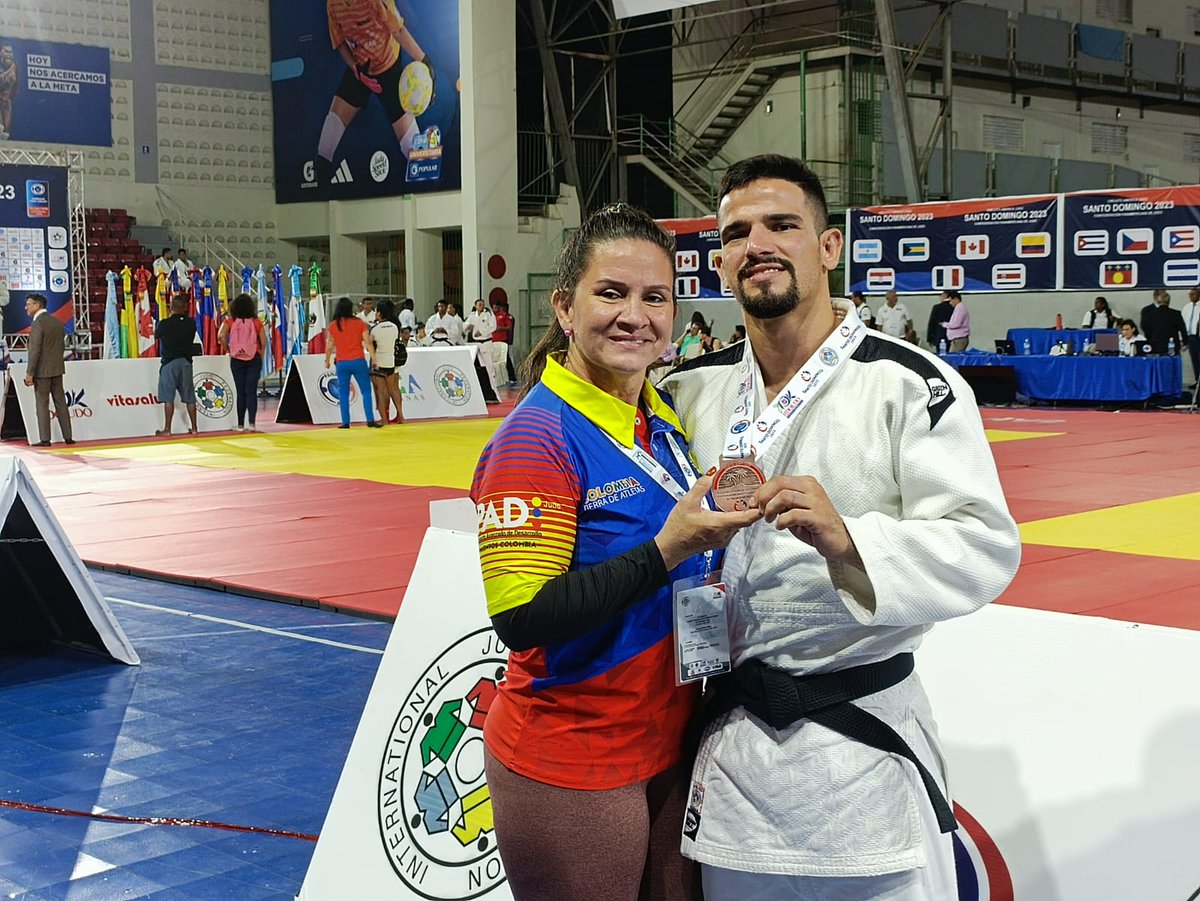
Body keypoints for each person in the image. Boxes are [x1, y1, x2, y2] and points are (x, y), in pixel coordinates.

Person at [659, 154, 1021, 900]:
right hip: (733, 755)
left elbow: (986, 544)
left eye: (782, 224)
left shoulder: (910, 383)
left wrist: (852, 537)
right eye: (737, 232)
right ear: (721, 260)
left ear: (829, 248)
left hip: (862, 754)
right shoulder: (685, 392)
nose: (757, 242)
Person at [470, 203, 759, 901]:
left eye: (654, 297)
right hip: (575, 755)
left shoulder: (659, 417)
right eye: (612, 293)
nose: (635, 314)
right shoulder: (535, 438)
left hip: (668, 738)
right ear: (566, 308)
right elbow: (522, 616)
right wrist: (670, 547)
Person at [317, 0, 433, 179]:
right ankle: (319, 185)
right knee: (325, 149)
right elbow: (340, 42)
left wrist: (424, 61)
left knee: (417, 156)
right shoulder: (332, 3)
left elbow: (398, 30)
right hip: (360, 69)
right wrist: (356, 69)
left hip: (389, 69)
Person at [324, 296, 383, 428]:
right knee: (366, 391)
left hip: (342, 362)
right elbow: (368, 343)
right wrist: (374, 360)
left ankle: (345, 422)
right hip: (358, 361)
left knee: (343, 393)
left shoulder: (333, 325)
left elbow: (329, 346)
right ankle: (370, 420)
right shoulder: (359, 323)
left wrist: (327, 361)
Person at [23, 294, 73, 447]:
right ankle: (68, 437)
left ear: (37, 305)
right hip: (57, 368)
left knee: (42, 404)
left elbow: (35, 350)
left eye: (29, 304)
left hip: (42, 372)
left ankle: (45, 439)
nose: (26, 307)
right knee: (61, 403)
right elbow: (61, 346)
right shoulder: (57, 322)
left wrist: (29, 372)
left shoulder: (38, 323)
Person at [218, 293, 267, 432]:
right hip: (254, 358)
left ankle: (240, 425)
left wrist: (227, 348)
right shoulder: (257, 322)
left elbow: (221, 336)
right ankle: (252, 424)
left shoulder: (229, 321)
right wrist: (260, 355)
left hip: (236, 359)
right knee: (251, 392)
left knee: (240, 392)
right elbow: (263, 341)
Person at [153, 296, 199, 437]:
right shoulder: (191, 323)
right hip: (186, 362)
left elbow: (156, 335)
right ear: (184, 308)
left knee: (168, 398)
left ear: (171, 307)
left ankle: (167, 429)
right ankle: (195, 428)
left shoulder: (164, 324)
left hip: (169, 363)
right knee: (190, 397)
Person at [370, 298, 405, 424]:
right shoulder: (396, 326)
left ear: (379, 313)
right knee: (394, 388)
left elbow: (370, 345)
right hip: (393, 360)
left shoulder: (375, 329)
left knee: (381, 390)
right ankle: (401, 415)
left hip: (380, 361)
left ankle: (384, 418)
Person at [1140, 289, 1187, 355]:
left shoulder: (1150, 314)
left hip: (1156, 344)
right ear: (1169, 302)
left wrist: (1150, 339)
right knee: (1173, 364)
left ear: (1158, 301)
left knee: (1157, 364)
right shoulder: (1176, 314)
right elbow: (1183, 329)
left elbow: (1146, 328)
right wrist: (1185, 342)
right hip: (1172, 345)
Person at [493, 300, 518, 384]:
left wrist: (500, 328)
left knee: (506, 358)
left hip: (502, 339)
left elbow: (509, 327)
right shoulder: (491, 316)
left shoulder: (504, 315)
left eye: (497, 307)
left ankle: (512, 376)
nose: (495, 309)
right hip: (493, 339)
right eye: (494, 307)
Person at [1181, 287, 1200, 386]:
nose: (1191, 296)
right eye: (1190, 294)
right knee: (1195, 360)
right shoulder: (1187, 307)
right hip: (1190, 337)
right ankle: (1197, 381)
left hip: (1198, 336)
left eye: (1193, 294)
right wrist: (1183, 339)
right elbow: (1183, 323)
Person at [0, 45, 17, 140]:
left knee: (6, 132)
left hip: (6, 101)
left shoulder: (15, 66)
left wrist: (10, 98)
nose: (9, 54)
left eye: (10, 52)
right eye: (6, 51)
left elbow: (15, 85)